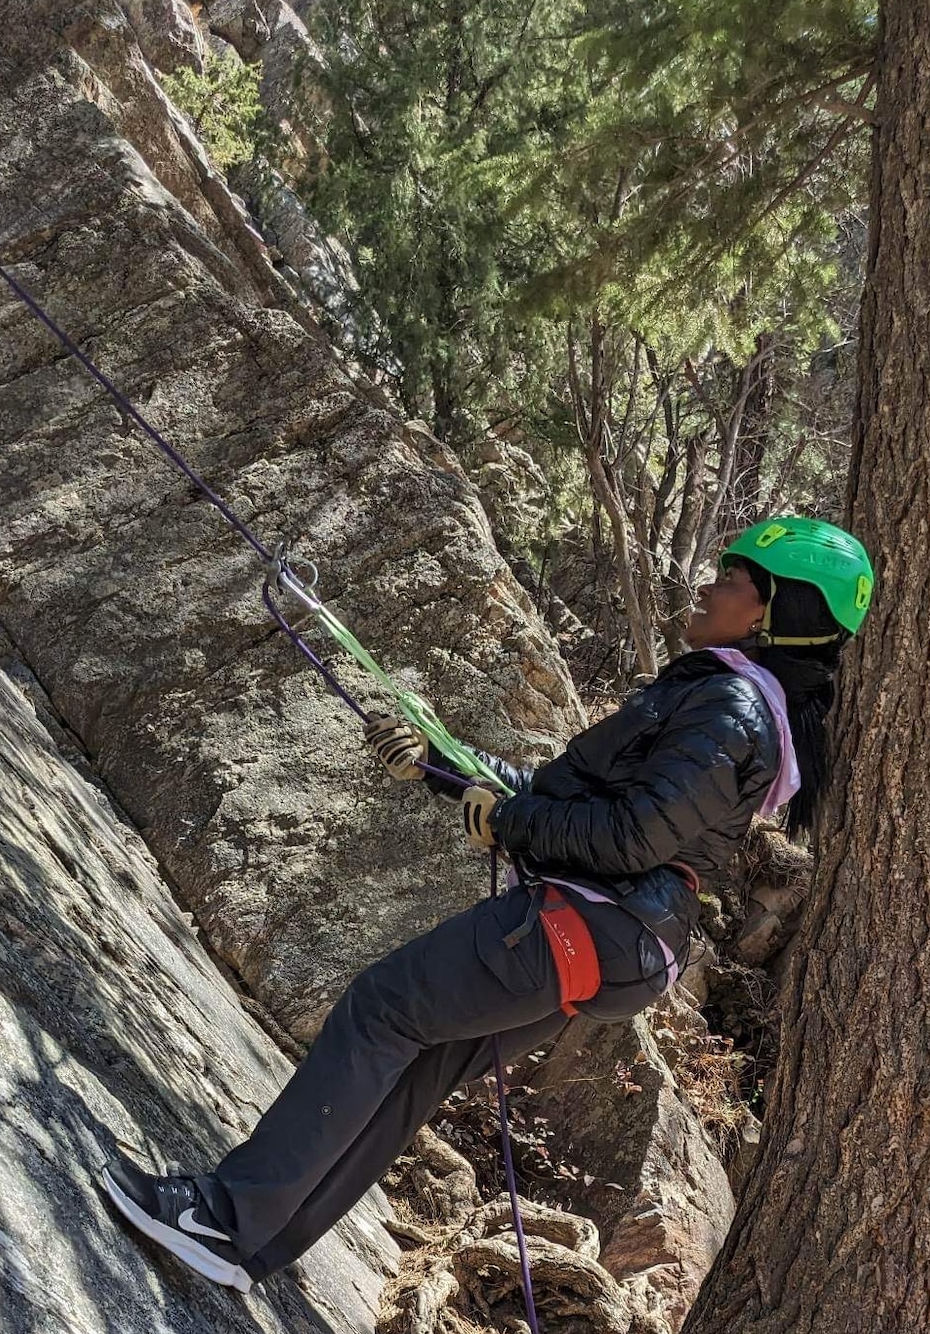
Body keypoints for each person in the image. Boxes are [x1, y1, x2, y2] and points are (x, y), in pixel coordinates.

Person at [98, 515, 874, 1293]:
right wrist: (441, 766)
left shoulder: (729, 708)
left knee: (382, 1011)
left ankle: (224, 1218)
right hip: (618, 936)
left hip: (594, 919)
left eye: (734, 578)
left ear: (778, 612)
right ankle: (251, 1245)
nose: (708, 584)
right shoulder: (729, 701)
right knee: (417, 1061)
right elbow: (571, 799)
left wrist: (505, 822)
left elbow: (631, 838)